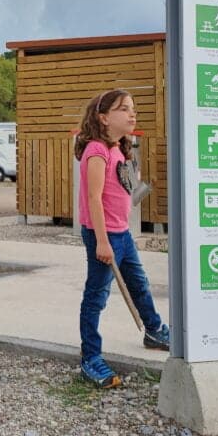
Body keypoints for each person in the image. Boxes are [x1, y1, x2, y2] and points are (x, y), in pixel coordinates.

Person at [75, 88, 170, 388]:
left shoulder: (119, 149)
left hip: (122, 234)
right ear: (103, 118)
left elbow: (130, 192)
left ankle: (154, 330)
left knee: (139, 284)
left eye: (133, 109)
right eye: (124, 109)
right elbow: (93, 198)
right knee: (96, 297)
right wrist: (102, 242)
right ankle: (90, 358)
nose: (132, 114)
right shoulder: (96, 150)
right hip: (103, 236)